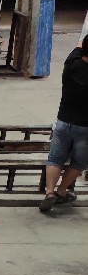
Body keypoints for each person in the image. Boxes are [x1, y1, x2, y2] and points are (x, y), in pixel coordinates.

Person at [39, 35, 88, 212]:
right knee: (78, 163)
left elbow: (80, 45)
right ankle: (61, 191)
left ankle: (49, 192)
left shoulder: (71, 65)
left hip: (63, 122)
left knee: (55, 159)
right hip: (85, 127)